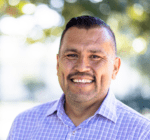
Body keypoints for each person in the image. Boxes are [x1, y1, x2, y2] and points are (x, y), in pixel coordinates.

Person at [7, 16, 150, 140]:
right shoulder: (23, 124)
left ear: (115, 68)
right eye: (71, 55)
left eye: (95, 57)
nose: (81, 67)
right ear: (58, 64)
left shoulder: (141, 133)